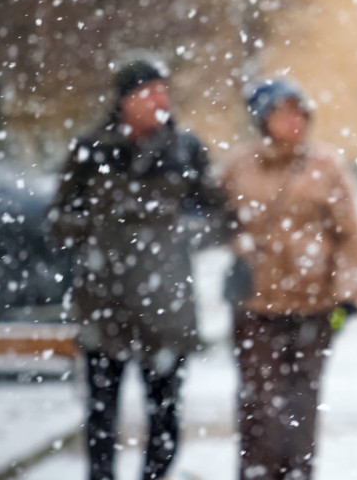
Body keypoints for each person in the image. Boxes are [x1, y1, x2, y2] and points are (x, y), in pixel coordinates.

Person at [48, 60, 231, 480]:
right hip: (104, 302)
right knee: (100, 416)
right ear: (124, 100)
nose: (160, 100)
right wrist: (100, 228)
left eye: (164, 90)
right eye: (149, 91)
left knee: (165, 417)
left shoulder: (185, 150)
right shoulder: (90, 149)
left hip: (166, 307)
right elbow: (59, 220)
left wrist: (182, 236)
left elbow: (218, 216)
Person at [220, 78, 357, 480]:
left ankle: (297, 474)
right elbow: (217, 220)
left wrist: (350, 294)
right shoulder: (238, 165)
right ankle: (257, 474)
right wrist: (239, 244)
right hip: (255, 305)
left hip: (313, 306)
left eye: (299, 112)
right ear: (262, 119)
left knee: (301, 407)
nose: (294, 121)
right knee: (257, 407)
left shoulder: (326, 166)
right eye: (283, 112)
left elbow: (350, 235)